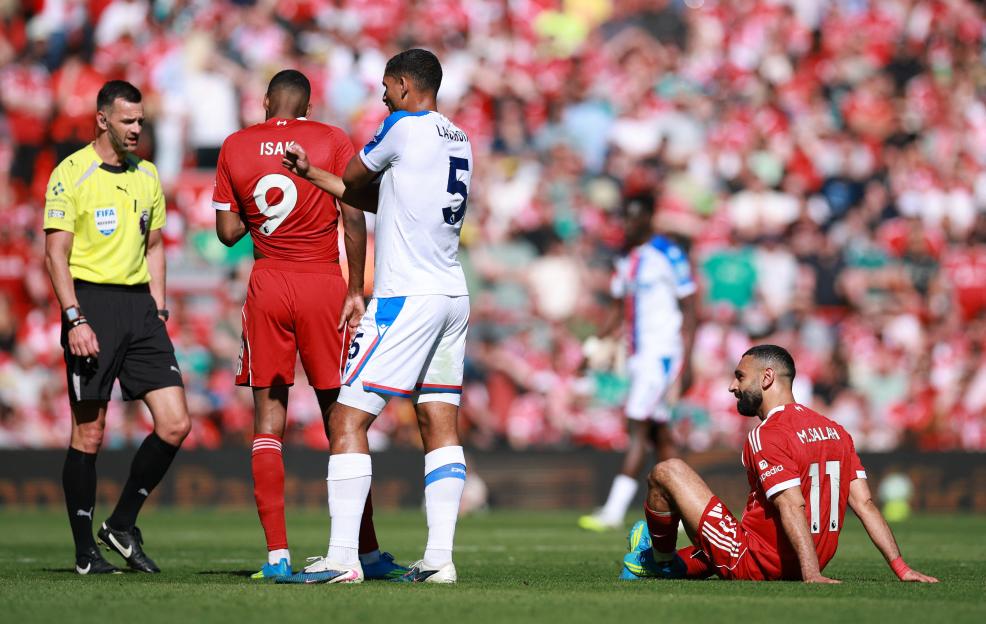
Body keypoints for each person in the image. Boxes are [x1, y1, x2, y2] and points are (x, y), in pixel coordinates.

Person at [280, 48, 472, 584]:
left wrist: (328, 171)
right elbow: (384, 200)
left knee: (347, 419)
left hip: (405, 297)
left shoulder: (401, 127)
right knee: (439, 422)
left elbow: (356, 176)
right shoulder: (458, 139)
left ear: (406, 85)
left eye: (387, 87)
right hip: (452, 295)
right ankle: (439, 561)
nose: (383, 96)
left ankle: (342, 559)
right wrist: (310, 173)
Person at [212, 69, 405, 581]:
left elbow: (227, 233)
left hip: (269, 283)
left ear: (264, 103)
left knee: (268, 421)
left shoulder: (235, 144)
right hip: (323, 284)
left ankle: (277, 555)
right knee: (342, 419)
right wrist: (355, 290)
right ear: (309, 106)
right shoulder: (330, 139)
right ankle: (364, 551)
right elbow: (354, 215)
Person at [620, 344, 939, 583]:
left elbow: (791, 506)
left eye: (740, 377)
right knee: (722, 537)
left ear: (767, 378)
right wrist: (902, 568)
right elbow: (865, 503)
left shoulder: (767, 435)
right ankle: (661, 557)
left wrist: (810, 575)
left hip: (761, 562)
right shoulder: (836, 431)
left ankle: (660, 560)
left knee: (667, 470)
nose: (733, 387)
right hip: (799, 559)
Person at [43, 80, 191, 575]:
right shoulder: (71, 173)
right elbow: (55, 254)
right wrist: (74, 318)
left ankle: (121, 523)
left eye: (141, 122)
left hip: (141, 308)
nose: (136, 130)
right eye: (128, 121)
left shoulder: (147, 175)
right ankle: (86, 552)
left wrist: (161, 308)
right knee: (90, 433)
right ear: (103, 119)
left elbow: (154, 247)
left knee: (175, 423)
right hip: (92, 303)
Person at [579, 195, 697, 532]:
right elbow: (617, 310)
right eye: (623, 219)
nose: (626, 225)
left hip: (660, 355)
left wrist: (686, 362)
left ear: (648, 218)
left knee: (637, 428)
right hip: (637, 357)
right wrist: (592, 347)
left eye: (632, 218)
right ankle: (685, 512)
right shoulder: (626, 259)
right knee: (661, 436)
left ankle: (614, 511)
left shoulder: (668, 254)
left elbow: (690, 309)